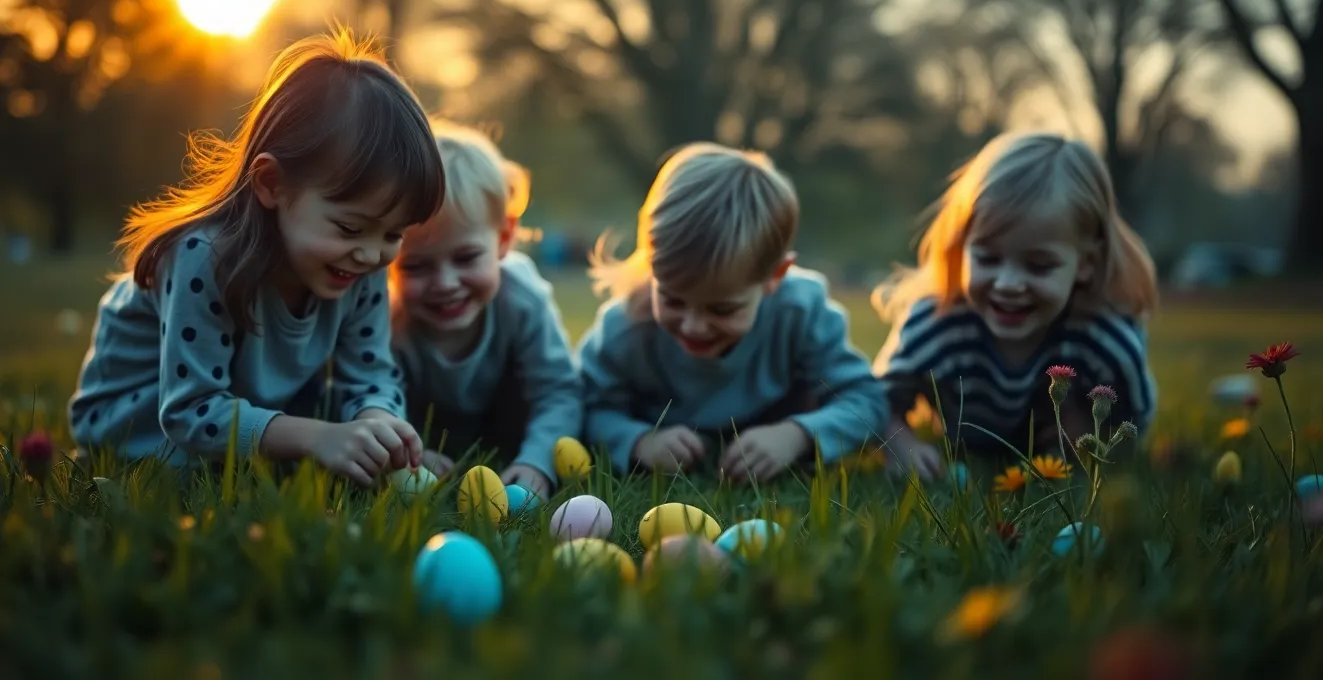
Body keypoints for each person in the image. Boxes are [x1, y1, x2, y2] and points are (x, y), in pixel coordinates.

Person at [67, 30, 443, 487]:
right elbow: (190, 411)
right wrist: (318, 438)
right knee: (208, 474)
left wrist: (378, 425)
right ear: (270, 184)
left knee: (325, 446)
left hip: (260, 405)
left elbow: (370, 375)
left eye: (395, 233)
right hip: (139, 421)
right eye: (349, 227)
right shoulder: (202, 259)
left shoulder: (359, 264)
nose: (372, 253)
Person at [577, 142, 888, 482]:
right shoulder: (626, 326)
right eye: (673, 301)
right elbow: (585, 405)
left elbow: (867, 401)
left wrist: (796, 436)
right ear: (651, 265)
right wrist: (638, 442)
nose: (694, 326)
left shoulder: (800, 312)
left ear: (775, 276)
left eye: (722, 309)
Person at [871, 132, 1159, 479]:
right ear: (962, 247)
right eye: (988, 258)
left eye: (1039, 266)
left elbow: (1131, 427)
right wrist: (902, 445)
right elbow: (876, 402)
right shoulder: (936, 325)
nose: (1007, 284)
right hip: (966, 448)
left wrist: (1094, 437)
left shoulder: (1104, 341)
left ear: (1086, 262)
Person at [388, 122, 581, 499]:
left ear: (505, 237)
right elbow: (371, 390)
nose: (445, 283)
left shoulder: (522, 298)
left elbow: (558, 391)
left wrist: (537, 460)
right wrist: (407, 453)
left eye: (466, 257)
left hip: (510, 436)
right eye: (415, 266)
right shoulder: (385, 318)